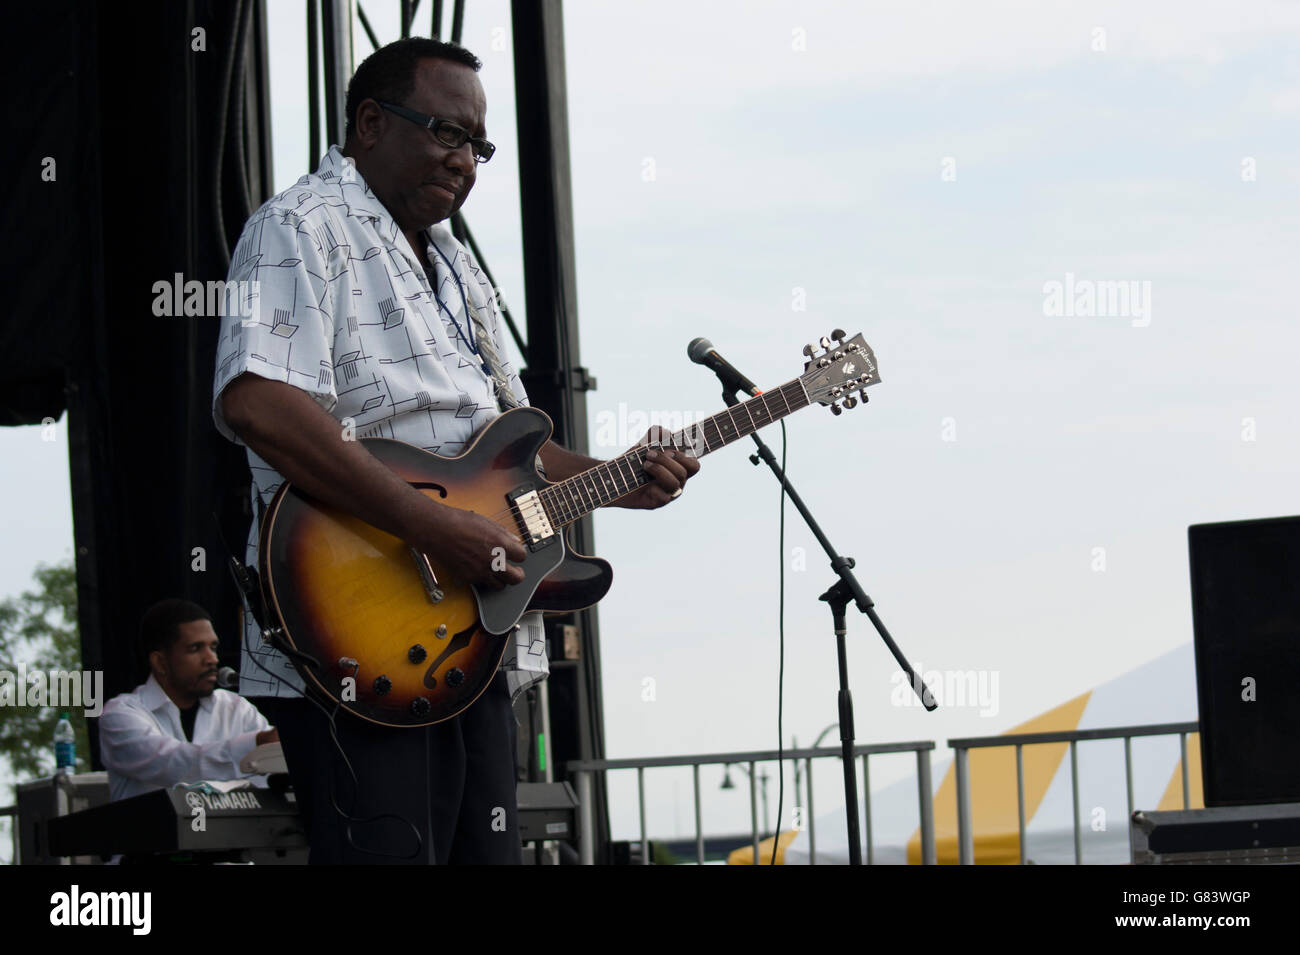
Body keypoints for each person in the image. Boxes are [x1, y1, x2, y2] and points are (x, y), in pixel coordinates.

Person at [211, 37, 698, 864]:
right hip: (356, 637)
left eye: (478, 144)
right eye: (447, 132)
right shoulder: (299, 226)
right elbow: (258, 401)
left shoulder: (457, 264)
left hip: (469, 641)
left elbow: (499, 463)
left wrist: (621, 482)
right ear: (369, 122)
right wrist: (434, 530)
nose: (466, 159)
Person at [98, 599, 278, 802]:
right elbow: (176, 764)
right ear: (160, 662)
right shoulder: (120, 715)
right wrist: (257, 744)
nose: (212, 659)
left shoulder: (237, 709)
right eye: (195, 648)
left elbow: (273, 775)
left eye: (213, 647)